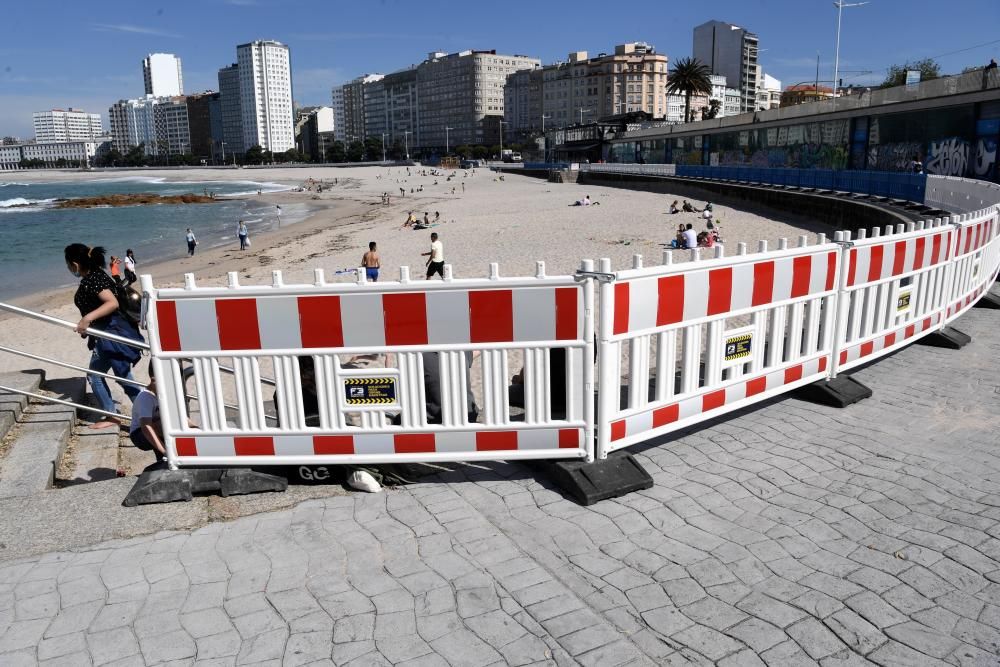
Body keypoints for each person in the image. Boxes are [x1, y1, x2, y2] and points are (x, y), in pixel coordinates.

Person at [65, 244, 144, 429]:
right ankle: (146, 413)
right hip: (111, 331)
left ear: (75, 264)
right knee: (122, 375)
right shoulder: (97, 275)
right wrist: (88, 323)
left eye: (68, 265)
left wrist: (87, 318)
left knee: (98, 376)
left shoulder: (92, 279)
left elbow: (112, 303)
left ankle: (121, 415)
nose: (69, 269)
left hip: (110, 333)